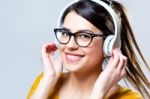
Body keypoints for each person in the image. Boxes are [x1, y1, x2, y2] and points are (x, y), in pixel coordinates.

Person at [27, 0, 150, 99]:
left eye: (85, 36)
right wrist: (49, 78)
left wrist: (99, 92)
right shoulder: (44, 82)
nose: (70, 45)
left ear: (109, 45)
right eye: (65, 33)